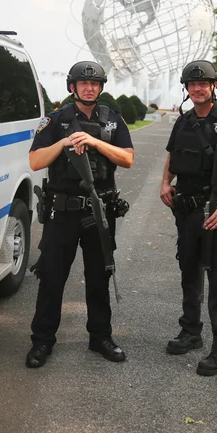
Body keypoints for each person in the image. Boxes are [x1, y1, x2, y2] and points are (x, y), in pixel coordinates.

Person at [26, 61, 134, 368]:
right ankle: (42, 340)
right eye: (83, 84)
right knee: (52, 277)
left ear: (101, 88)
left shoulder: (113, 120)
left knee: (99, 276)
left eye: (95, 84)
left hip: (99, 210)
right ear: (72, 87)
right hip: (63, 212)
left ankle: (100, 337)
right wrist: (62, 144)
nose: (89, 88)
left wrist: (95, 141)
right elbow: (35, 161)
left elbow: (127, 158)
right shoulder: (55, 120)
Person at [160, 60, 217, 376]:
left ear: (214, 86)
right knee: (188, 269)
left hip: (216, 214)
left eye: (204, 83)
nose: (198, 88)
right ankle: (190, 331)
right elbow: (172, 155)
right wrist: (164, 182)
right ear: (186, 89)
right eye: (192, 84)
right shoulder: (183, 121)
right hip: (186, 212)